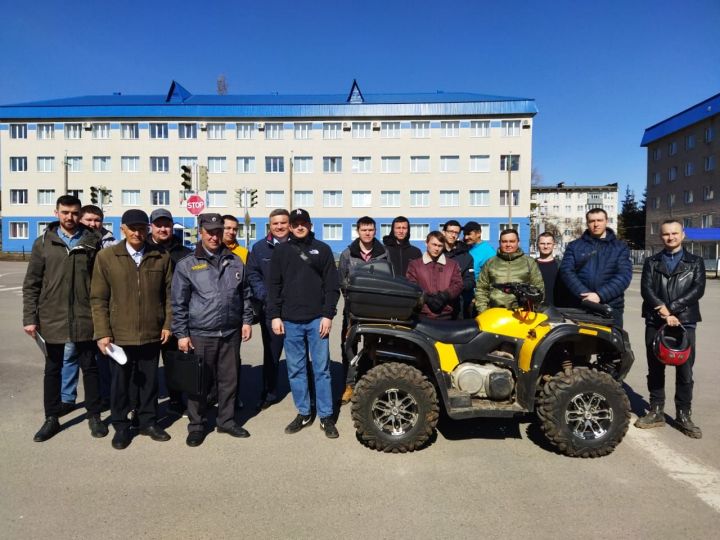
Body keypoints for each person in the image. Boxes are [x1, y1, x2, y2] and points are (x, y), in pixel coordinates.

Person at [22, 195, 107, 442]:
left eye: (74, 213)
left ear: (79, 214)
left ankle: (94, 416)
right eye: (65, 212)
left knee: (89, 367)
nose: (70, 217)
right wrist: (30, 317)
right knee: (53, 369)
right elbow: (32, 283)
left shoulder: (93, 241)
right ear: (56, 212)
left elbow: (100, 281)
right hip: (52, 317)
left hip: (85, 316)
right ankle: (51, 418)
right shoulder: (43, 243)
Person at [90, 209, 173, 450]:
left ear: (147, 229)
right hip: (119, 334)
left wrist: (167, 324)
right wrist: (103, 332)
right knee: (120, 383)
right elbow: (98, 298)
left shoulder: (161, 256)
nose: (137, 232)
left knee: (149, 382)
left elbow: (169, 295)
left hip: (151, 331)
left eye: (141, 228)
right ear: (122, 229)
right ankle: (121, 425)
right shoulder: (106, 257)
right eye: (132, 228)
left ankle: (148, 421)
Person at [172, 213, 254, 447]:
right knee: (198, 383)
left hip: (230, 332)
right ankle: (196, 425)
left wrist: (246, 320)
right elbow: (179, 302)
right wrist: (182, 334)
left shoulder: (236, 260)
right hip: (200, 333)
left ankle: (226, 421)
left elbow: (245, 294)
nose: (215, 236)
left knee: (229, 380)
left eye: (218, 231)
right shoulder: (187, 265)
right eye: (210, 232)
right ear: (201, 232)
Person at [268, 209, 341, 439]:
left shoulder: (323, 249)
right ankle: (304, 412)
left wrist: (328, 315)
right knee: (296, 369)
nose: (299, 227)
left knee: (322, 370)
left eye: (303, 223)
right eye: (295, 224)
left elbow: (332, 286)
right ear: (290, 227)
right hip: (290, 321)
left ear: (310, 225)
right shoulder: (281, 251)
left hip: (317, 320)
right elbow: (273, 287)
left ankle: (326, 415)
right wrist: (275, 316)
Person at [635, 220, 706, 438]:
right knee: (655, 368)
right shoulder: (651, 262)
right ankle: (656, 410)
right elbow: (646, 289)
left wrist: (672, 310)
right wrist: (664, 312)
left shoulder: (696, 262)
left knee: (685, 371)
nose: (670, 237)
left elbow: (698, 289)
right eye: (666, 234)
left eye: (675, 233)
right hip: (655, 321)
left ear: (682, 235)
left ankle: (684, 415)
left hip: (684, 322)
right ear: (661, 237)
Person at [60, 204, 117, 412]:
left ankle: (105, 395)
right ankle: (67, 398)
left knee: (103, 354)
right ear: (81, 220)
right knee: (71, 352)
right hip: (78, 307)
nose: (93, 224)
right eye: (89, 220)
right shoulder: (78, 241)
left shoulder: (111, 242)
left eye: (97, 220)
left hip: (103, 305)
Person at [338, 216, 388, 403]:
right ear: (358, 231)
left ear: (375, 231)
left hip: (375, 312)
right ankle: (349, 385)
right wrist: (356, 296)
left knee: (372, 347)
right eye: (364, 230)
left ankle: (370, 385)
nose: (367, 233)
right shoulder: (347, 254)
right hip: (352, 311)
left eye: (371, 230)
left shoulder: (383, 253)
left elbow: (387, 278)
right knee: (348, 347)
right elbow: (341, 281)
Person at [246, 209, 291, 410]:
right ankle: (269, 392)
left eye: (283, 223)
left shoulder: (298, 245)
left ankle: (306, 393)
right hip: (270, 311)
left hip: (297, 311)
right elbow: (253, 275)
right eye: (275, 224)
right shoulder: (259, 248)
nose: (279, 227)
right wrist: (267, 297)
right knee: (271, 355)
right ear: (269, 226)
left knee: (300, 354)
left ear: (289, 224)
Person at [149, 208, 191, 416]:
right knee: (147, 366)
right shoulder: (143, 250)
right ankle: (147, 405)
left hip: (174, 316)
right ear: (152, 227)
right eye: (159, 225)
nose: (163, 229)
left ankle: (176, 400)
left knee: (173, 362)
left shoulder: (183, 253)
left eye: (167, 225)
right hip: (147, 316)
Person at [558, 208, 632, 327]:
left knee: (610, 344)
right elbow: (566, 271)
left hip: (610, 306)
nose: (596, 224)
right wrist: (585, 294)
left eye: (599, 220)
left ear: (606, 221)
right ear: (587, 223)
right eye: (592, 221)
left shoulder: (620, 247)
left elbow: (624, 276)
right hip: (582, 306)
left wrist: (600, 295)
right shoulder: (574, 246)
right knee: (583, 344)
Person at [475, 229, 545, 313]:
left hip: (522, 315)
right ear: (499, 242)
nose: (508, 244)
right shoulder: (490, 263)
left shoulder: (529, 262)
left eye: (512, 241)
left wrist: (533, 311)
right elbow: (481, 289)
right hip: (494, 313)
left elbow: (538, 288)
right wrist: (483, 311)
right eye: (504, 241)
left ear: (518, 242)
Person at [407, 231, 463, 320]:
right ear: (426, 243)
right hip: (421, 315)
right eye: (434, 244)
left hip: (446, 315)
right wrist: (426, 298)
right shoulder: (415, 264)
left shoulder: (452, 265)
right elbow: (412, 285)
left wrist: (444, 296)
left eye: (440, 246)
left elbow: (458, 284)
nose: (437, 249)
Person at [442, 220, 475, 319]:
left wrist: (456, 287)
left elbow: (470, 281)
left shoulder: (466, 256)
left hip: (457, 305)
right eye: (450, 231)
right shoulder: (436, 252)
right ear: (444, 232)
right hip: (436, 303)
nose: (453, 235)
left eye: (456, 233)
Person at [535, 232, 560, 307]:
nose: (545, 246)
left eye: (548, 243)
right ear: (537, 245)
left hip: (558, 309)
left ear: (554, 245)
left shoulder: (561, 266)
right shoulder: (531, 265)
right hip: (536, 308)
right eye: (542, 243)